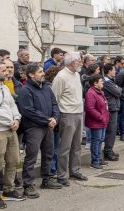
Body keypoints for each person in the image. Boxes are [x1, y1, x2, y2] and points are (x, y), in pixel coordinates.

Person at [19, 63, 62, 199]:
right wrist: (47, 120)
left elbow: (54, 104)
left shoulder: (46, 88)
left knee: (48, 154)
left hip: (48, 126)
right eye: (40, 72)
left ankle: (47, 179)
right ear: (31, 75)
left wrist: (54, 118)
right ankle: (28, 185)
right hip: (34, 127)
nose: (43, 73)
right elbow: (28, 110)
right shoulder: (25, 90)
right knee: (31, 156)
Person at [0, 60, 24, 208]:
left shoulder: (4, 87)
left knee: (13, 160)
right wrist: (11, 121)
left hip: (10, 129)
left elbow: (12, 105)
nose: (8, 72)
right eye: (4, 70)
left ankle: (8, 190)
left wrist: (16, 118)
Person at [51, 52, 88, 185]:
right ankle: (61, 175)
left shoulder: (76, 74)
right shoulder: (61, 77)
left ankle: (75, 171)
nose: (80, 63)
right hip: (67, 114)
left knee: (77, 145)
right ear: (72, 62)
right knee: (65, 147)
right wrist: (57, 116)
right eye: (79, 61)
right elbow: (55, 97)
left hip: (79, 113)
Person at [84, 75, 110, 169]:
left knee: (100, 141)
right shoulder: (91, 93)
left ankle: (99, 159)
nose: (102, 82)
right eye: (101, 81)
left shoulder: (100, 92)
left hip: (102, 121)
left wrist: (106, 117)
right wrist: (100, 117)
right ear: (95, 83)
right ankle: (95, 161)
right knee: (96, 141)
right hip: (96, 122)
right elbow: (90, 108)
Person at [102, 63, 121, 162]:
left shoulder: (111, 81)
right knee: (111, 131)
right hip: (111, 108)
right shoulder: (107, 81)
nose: (115, 72)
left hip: (114, 107)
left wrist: (118, 88)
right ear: (109, 71)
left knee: (112, 131)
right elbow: (118, 92)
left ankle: (109, 149)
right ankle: (108, 151)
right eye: (113, 70)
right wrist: (118, 89)